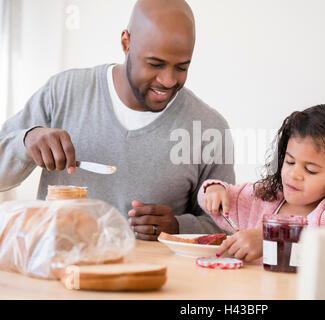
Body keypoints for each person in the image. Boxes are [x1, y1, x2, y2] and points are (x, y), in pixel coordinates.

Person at [0, 0, 235, 240]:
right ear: (126, 43)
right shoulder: (64, 92)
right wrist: (26, 141)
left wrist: (178, 227)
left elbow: (227, 226)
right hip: (58, 270)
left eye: (181, 67)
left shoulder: (209, 128)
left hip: (152, 277)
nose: (167, 80)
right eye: (155, 64)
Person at [198, 105, 325, 262]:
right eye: (290, 162)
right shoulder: (266, 197)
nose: (294, 174)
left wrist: (273, 239)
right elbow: (218, 198)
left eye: (310, 170)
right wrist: (214, 190)